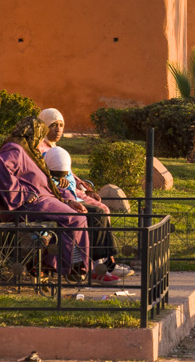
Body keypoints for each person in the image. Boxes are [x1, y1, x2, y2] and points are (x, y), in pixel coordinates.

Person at [0, 116, 99, 279]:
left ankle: (58, 265)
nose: (41, 140)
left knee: (77, 216)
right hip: (25, 206)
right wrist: (22, 194)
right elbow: (0, 167)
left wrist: (69, 201)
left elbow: (46, 183)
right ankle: (69, 267)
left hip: (42, 201)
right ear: (32, 134)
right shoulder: (15, 149)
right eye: (41, 136)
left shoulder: (30, 152)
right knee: (75, 219)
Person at [38, 108, 134, 279]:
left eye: (61, 125)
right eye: (53, 125)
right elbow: (53, 177)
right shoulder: (40, 148)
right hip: (61, 194)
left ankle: (107, 262)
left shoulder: (52, 146)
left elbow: (68, 172)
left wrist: (82, 184)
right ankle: (100, 265)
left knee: (102, 208)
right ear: (43, 126)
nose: (58, 129)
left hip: (71, 190)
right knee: (97, 212)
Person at [44, 146, 126, 280]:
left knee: (99, 212)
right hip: (55, 204)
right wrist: (59, 187)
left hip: (70, 200)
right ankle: (96, 267)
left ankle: (104, 263)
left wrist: (78, 188)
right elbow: (46, 189)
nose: (62, 176)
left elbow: (72, 183)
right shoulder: (43, 169)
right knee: (94, 215)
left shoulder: (59, 162)